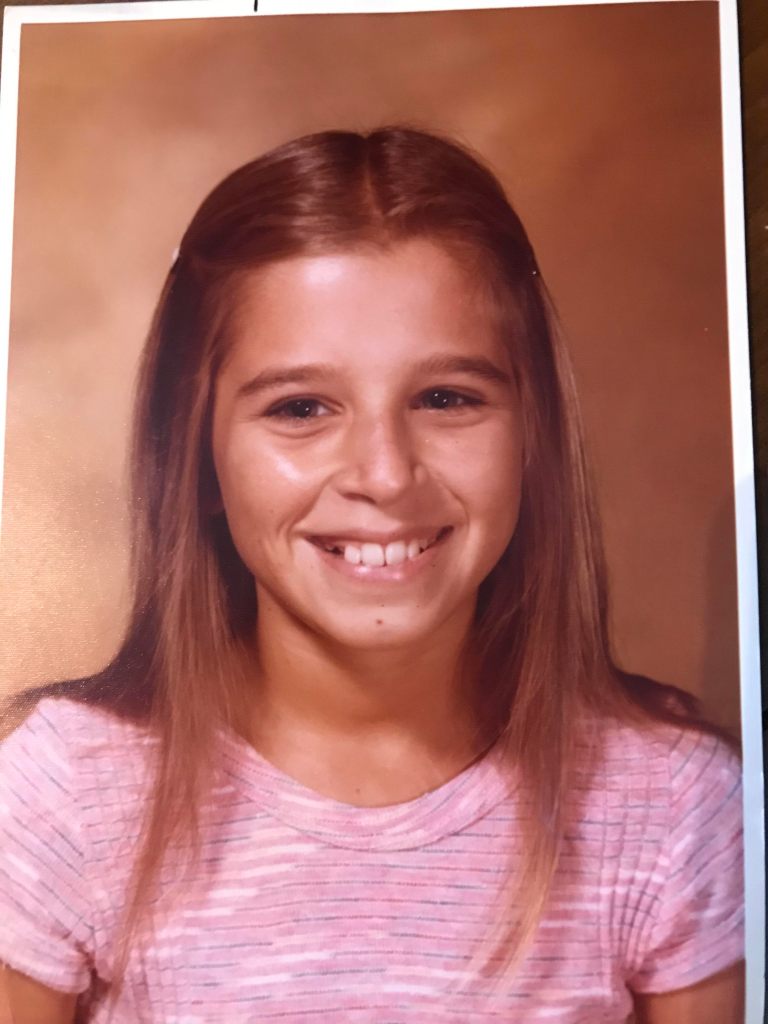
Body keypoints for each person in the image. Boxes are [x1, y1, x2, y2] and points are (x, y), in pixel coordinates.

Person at [0, 127, 744, 1023]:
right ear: (197, 458)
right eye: (301, 408)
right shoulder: (66, 795)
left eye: (445, 398)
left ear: (534, 437)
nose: (386, 475)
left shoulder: (670, 803)